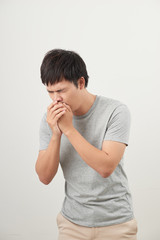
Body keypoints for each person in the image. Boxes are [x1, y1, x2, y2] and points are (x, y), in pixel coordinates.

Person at [35, 49, 138, 240]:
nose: (55, 99)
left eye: (61, 91)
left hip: (116, 223)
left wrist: (69, 130)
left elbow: (106, 167)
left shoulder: (116, 111)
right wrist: (56, 134)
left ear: (81, 83)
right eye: (50, 92)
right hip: (71, 224)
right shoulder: (50, 119)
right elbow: (44, 177)